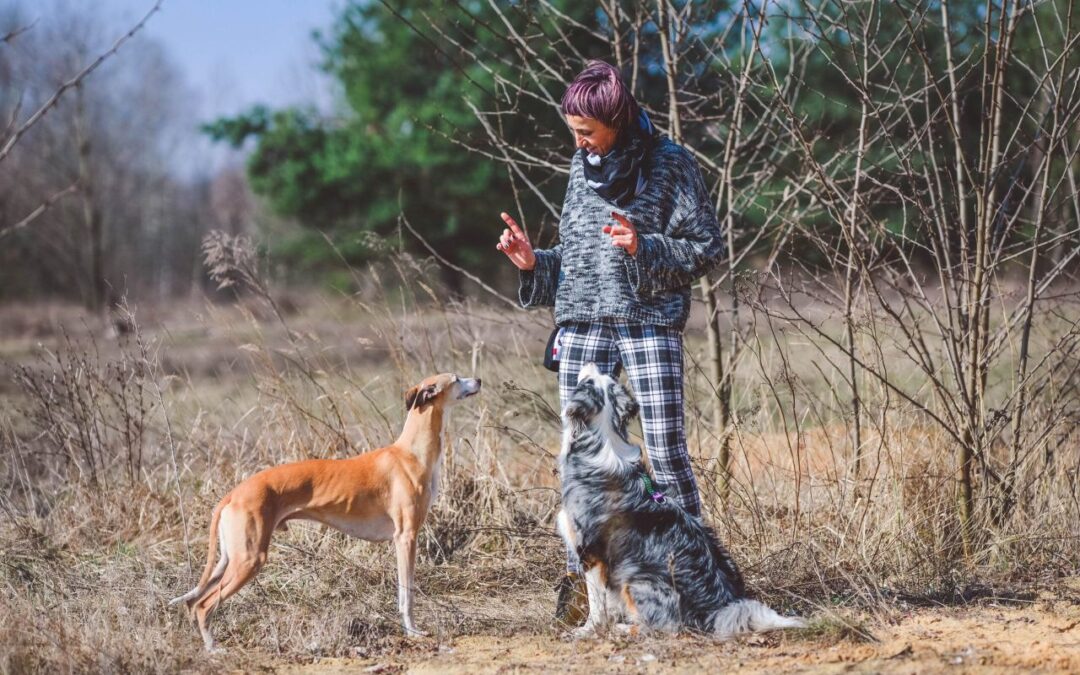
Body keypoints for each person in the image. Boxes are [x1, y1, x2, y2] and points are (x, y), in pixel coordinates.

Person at [496, 60, 725, 624]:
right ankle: (588, 594)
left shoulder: (671, 164)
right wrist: (532, 263)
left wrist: (645, 247)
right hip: (582, 323)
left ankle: (694, 583)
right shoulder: (582, 166)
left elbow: (706, 247)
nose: (577, 141)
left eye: (586, 131)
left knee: (665, 454)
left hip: (648, 322)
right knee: (577, 459)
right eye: (573, 130)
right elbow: (576, 261)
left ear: (616, 120)